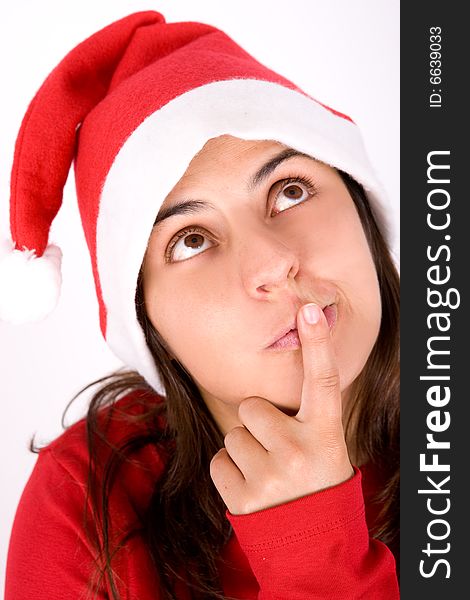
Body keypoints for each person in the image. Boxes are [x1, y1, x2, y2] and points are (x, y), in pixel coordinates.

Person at [1, 10, 400, 599]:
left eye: (290, 190)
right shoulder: (85, 501)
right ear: (149, 321)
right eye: (191, 239)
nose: (272, 265)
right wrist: (311, 554)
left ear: (363, 213)